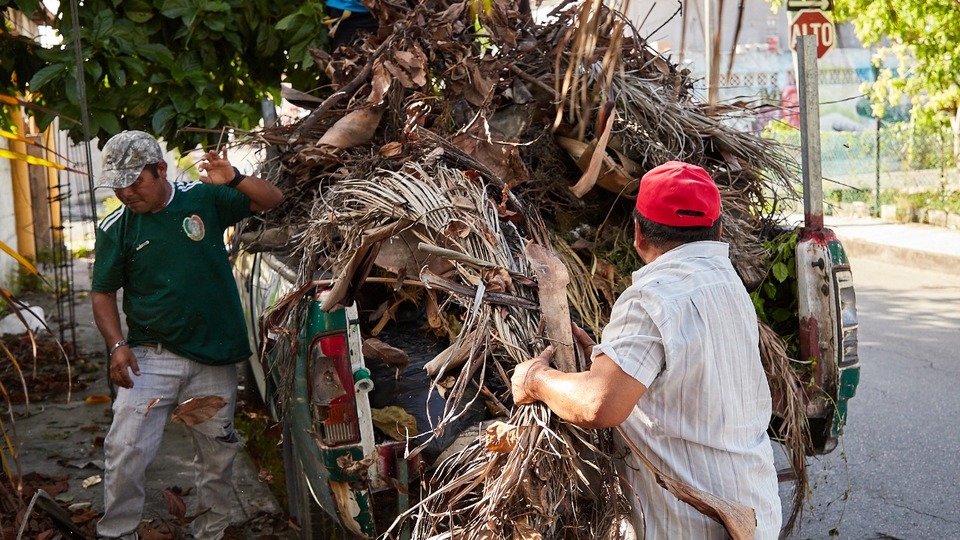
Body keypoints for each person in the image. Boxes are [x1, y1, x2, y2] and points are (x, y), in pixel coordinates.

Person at [511, 161, 782, 539]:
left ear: (637, 232)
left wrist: (536, 379)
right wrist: (608, 364)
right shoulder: (728, 284)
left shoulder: (651, 296)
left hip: (693, 527)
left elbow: (598, 405)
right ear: (717, 230)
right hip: (753, 512)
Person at [91, 130, 284, 540]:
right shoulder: (116, 227)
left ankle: (210, 533)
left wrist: (234, 178)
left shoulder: (203, 198)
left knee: (216, 456)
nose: (125, 192)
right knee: (125, 449)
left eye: (135, 181)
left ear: (160, 169)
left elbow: (272, 200)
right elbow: (103, 294)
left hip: (213, 357)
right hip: (150, 356)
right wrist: (117, 345)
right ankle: (117, 533)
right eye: (118, 184)